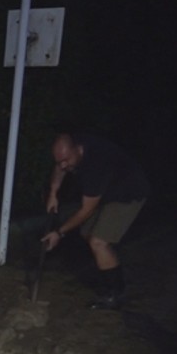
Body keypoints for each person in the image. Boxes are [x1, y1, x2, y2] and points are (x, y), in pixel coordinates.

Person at [40, 132, 149, 310]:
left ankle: (114, 294)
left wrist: (59, 233)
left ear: (78, 150)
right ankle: (108, 268)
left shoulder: (96, 165)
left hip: (129, 193)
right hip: (109, 191)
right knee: (88, 233)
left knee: (98, 241)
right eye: (59, 161)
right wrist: (53, 193)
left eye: (66, 160)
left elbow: (86, 210)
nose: (63, 165)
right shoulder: (72, 152)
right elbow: (59, 167)